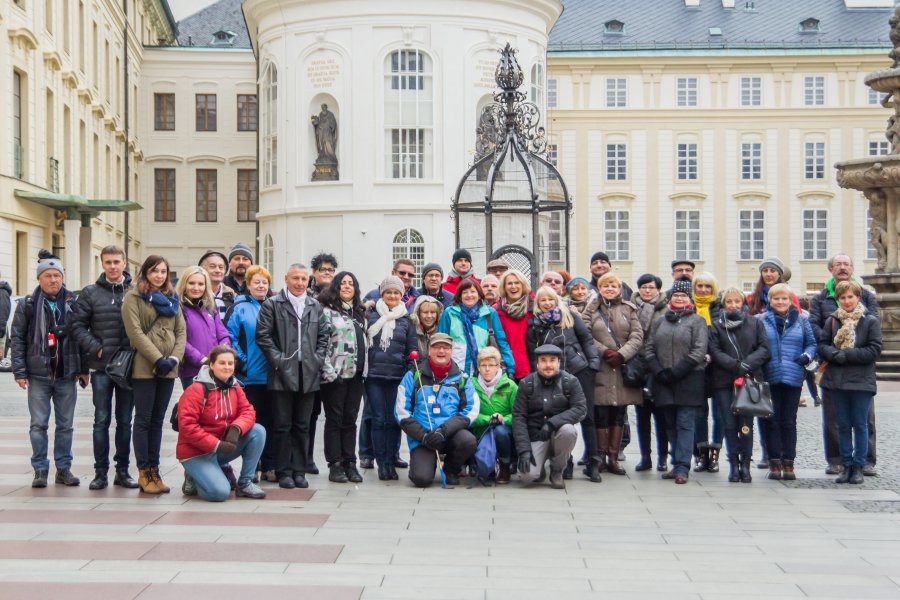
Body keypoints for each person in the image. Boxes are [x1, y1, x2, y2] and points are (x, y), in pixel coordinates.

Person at [11, 250, 87, 488]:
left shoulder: (73, 304)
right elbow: (17, 339)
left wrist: (84, 369)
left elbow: (82, 337)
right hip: (38, 375)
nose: (53, 280)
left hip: (66, 374)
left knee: (65, 425)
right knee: (38, 425)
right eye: (48, 275)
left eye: (57, 275)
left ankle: (63, 469)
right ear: (39, 279)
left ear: (62, 278)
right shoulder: (28, 305)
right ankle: (40, 470)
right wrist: (20, 371)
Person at [70, 245, 139, 490]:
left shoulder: (136, 291)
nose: (112, 266)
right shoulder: (90, 293)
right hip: (102, 367)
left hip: (130, 367)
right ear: (102, 264)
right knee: (101, 420)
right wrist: (95, 347)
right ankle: (100, 473)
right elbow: (77, 326)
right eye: (108, 262)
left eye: (116, 262)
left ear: (124, 263)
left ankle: (122, 471)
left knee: (125, 421)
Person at [256, 263, 329, 489]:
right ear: (286, 279)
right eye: (295, 278)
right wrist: (280, 361)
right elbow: (263, 336)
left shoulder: (314, 305)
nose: (299, 283)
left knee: (302, 425)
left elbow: (324, 335)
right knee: (282, 425)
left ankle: (299, 470)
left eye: (303, 279)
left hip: (308, 373)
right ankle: (283, 471)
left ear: (309, 282)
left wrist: (316, 360)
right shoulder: (272, 304)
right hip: (281, 373)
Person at [809, 254, 879, 476]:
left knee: (863, 420)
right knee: (834, 419)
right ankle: (838, 460)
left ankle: (865, 460)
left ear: (852, 268)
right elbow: (815, 330)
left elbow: (873, 341)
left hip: (860, 375)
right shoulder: (821, 299)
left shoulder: (867, 298)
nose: (842, 268)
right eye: (837, 264)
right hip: (834, 369)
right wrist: (832, 350)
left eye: (846, 264)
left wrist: (848, 353)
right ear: (831, 269)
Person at [122, 255, 186, 494]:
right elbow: (135, 333)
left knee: (158, 421)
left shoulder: (172, 298)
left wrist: (174, 359)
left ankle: (155, 471)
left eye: (163, 271)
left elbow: (181, 332)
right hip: (144, 367)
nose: (159, 275)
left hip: (168, 368)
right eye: (154, 271)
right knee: (143, 420)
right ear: (145, 272)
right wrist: (158, 358)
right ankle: (144, 471)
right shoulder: (133, 297)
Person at [527, 287, 601, 481]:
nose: (547, 303)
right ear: (538, 304)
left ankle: (594, 461)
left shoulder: (570, 317)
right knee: (560, 418)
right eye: (543, 300)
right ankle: (565, 463)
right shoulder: (535, 326)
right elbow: (531, 353)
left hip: (579, 370)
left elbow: (587, 340)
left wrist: (593, 364)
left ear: (556, 300)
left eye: (550, 300)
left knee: (588, 416)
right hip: (552, 377)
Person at [176, 346, 267, 501]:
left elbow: (248, 411)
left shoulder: (234, 386)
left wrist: (236, 429)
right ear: (211, 365)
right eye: (222, 363)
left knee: (257, 431)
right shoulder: (196, 389)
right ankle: (194, 476)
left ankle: (245, 483)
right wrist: (216, 445)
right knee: (219, 493)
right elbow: (187, 427)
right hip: (196, 453)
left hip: (221, 448)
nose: (227, 367)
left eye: (230, 363)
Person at [645, 277, 708, 484]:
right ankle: (675, 462)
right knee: (669, 423)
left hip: (689, 378)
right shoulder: (660, 321)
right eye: (676, 295)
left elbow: (699, 349)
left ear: (689, 298)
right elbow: (649, 348)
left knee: (685, 422)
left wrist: (678, 371)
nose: (679, 298)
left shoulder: (696, 321)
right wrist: (659, 370)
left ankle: (683, 466)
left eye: (683, 295)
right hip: (664, 379)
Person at [396, 332, 479, 487]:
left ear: (451, 351)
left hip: (450, 434)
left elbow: (471, 410)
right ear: (429, 350)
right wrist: (423, 436)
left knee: (468, 441)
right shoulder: (414, 375)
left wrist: (443, 431)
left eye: (446, 347)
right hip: (424, 438)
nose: (441, 351)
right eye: (437, 347)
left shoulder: (462, 378)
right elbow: (401, 412)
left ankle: (450, 469)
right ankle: (427, 462)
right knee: (421, 479)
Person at [582, 273, 643, 478]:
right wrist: (604, 351)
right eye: (605, 285)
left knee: (618, 414)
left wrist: (622, 354)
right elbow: (585, 333)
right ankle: (599, 457)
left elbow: (637, 335)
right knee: (600, 414)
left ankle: (614, 458)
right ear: (599, 288)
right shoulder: (592, 308)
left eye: (613, 285)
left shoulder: (629, 308)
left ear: (620, 288)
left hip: (622, 367)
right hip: (600, 366)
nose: (609, 288)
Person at [708, 287, 769, 483]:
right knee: (728, 423)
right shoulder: (718, 325)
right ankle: (733, 464)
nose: (733, 305)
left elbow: (764, 348)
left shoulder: (754, 323)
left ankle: (745, 465)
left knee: (746, 424)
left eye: (737, 301)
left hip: (750, 379)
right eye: (729, 302)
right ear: (723, 304)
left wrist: (747, 364)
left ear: (743, 303)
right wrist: (734, 365)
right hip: (724, 380)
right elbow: (714, 350)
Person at [759, 283, 816, 481]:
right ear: (770, 301)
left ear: (790, 300)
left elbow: (811, 343)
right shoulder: (761, 320)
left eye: (784, 298)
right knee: (771, 421)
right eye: (776, 298)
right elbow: (755, 343)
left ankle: (789, 462)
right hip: (769, 375)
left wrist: (807, 356)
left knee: (789, 421)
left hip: (793, 376)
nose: (781, 302)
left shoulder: (801, 320)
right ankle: (774, 462)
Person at [365, 276, 418, 480]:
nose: (393, 296)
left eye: (396, 293)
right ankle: (382, 464)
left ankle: (391, 459)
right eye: (389, 292)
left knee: (394, 420)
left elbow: (411, 349)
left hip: (397, 376)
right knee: (379, 420)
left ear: (401, 295)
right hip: (374, 376)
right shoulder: (371, 315)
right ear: (382, 294)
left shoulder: (406, 319)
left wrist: (409, 372)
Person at [513, 345, 587, 489]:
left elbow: (580, 409)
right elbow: (518, 417)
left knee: (568, 431)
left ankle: (557, 470)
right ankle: (539, 470)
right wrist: (524, 450)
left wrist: (553, 423)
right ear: (537, 363)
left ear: (559, 362)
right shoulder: (526, 383)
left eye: (552, 360)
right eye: (544, 361)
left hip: (559, 434)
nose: (548, 365)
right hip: (536, 436)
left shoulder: (570, 382)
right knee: (527, 477)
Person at [226, 265, 275, 481]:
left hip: (273, 376)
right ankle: (252, 467)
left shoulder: (275, 306)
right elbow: (229, 336)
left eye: (264, 282)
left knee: (271, 421)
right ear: (248, 284)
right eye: (256, 282)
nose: (261, 285)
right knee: (251, 424)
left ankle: (270, 465)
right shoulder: (240, 307)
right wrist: (242, 362)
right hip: (250, 377)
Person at [318, 271, 367, 484]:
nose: (347, 286)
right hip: (335, 376)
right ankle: (335, 464)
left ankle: (350, 462)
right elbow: (320, 343)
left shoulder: (359, 313)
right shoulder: (326, 312)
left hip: (356, 375)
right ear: (335, 287)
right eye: (343, 283)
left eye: (351, 284)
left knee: (350, 420)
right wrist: (329, 372)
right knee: (335, 419)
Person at [632, 274, 670, 472]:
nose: (647, 291)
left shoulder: (666, 309)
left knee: (661, 416)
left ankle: (663, 456)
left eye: (651, 287)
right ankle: (645, 456)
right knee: (642, 416)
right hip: (638, 367)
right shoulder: (631, 307)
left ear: (658, 290)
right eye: (644, 287)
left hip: (658, 367)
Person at [439, 279, 514, 377]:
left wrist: (510, 366)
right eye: (465, 292)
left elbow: (501, 341)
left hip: (484, 372)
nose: (469, 295)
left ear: (479, 295)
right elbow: (441, 341)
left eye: (473, 291)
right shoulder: (449, 313)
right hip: (455, 371)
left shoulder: (489, 313)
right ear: (460, 296)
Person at [307, 252, 339, 475]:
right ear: (314, 272)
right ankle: (306, 457)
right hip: (310, 364)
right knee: (307, 414)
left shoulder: (337, 296)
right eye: (323, 269)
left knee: (328, 413)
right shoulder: (306, 294)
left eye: (330, 270)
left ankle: (333, 460)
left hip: (332, 365)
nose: (327, 273)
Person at [177, 266, 231, 392]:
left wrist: (221, 356)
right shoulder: (179, 308)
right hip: (192, 372)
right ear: (184, 284)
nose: (196, 288)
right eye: (191, 283)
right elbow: (180, 341)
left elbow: (223, 334)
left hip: (216, 369)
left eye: (200, 284)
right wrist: (203, 360)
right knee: (197, 410)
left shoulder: (210, 308)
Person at [471, 346, 518, 483]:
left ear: (498, 367)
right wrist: (487, 419)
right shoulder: (471, 385)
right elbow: (468, 413)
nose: (487, 369)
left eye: (491, 365)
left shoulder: (510, 386)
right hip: (481, 428)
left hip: (504, 429)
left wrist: (504, 418)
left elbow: (518, 413)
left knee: (501, 432)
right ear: (478, 367)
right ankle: (483, 466)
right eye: (483, 365)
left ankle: (504, 466)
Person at [692, 272, 723, 473]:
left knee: (720, 413)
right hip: (696, 368)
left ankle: (714, 455)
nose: (703, 290)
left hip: (719, 368)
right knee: (699, 413)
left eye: (707, 287)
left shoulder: (721, 309)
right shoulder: (689, 308)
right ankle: (700, 454)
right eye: (700, 286)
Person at [494, 269, 533, 381]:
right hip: (505, 368)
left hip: (530, 367)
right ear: (504, 287)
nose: (513, 286)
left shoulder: (533, 310)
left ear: (523, 285)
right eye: (509, 283)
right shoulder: (496, 312)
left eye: (517, 283)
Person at [198, 250, 235, 321]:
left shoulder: (232, 295)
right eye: (212, 266)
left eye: (221, 267)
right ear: (203, 269)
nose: (218, 270)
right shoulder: (195, 296)